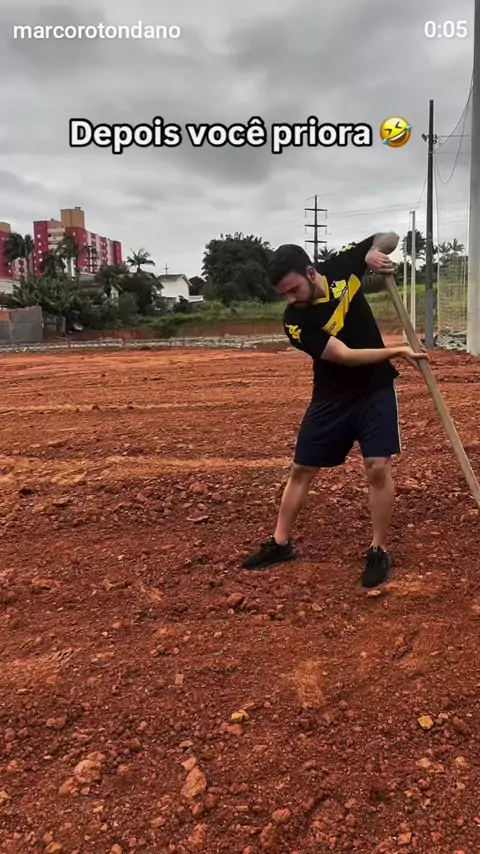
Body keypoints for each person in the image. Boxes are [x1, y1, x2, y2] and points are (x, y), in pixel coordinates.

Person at [241, 233, 428, 587]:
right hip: (331, 397)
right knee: (301, 469)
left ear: (311, 273)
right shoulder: (295, 321)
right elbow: (343, 355)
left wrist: (374, 252)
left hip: (375, 389)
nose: (290, 299)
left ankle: (378, 549)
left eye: (293, 289)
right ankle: (280, 543)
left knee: (377, 467)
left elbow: (388, 237)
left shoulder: (342, 265)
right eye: (283, 294)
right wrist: (397, 351)